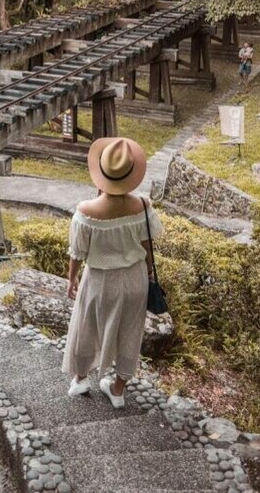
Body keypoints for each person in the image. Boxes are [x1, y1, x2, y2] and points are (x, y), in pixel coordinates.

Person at [62, 137, 161, 409]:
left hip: (99, 279)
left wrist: (72, 278)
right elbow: (147, 247)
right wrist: (148, 273)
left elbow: (78, 253)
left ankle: (81, 379)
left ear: (101, 173)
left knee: (87, 327)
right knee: (130, 331)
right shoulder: (142, 206)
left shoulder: (86, 211)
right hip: (135, 279)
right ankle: (117, 389)